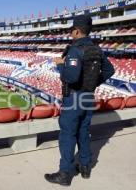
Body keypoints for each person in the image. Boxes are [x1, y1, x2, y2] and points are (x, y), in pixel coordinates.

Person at [44, 15, 115, 186]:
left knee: (68, 135)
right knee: (83, 132)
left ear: (76, 31)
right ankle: (85, 167)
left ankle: (65, 173)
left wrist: (60, 64)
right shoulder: (96, 50)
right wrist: (92, 83)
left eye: (71, 30)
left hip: (75, 97)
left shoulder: (76, 49)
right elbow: (109, 70)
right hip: (88, 97)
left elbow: (71, 76)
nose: (71, 33)